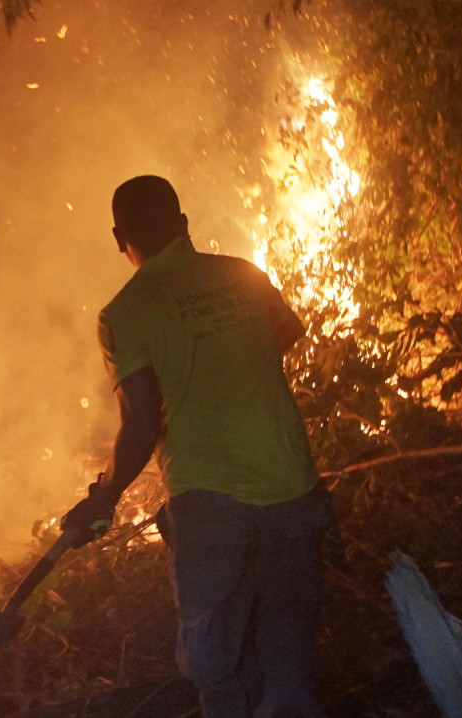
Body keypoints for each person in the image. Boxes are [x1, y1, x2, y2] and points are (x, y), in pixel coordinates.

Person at [61, 175, 332, 718]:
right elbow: (288, 334)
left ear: (120, 238)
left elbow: (139, 425)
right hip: (293, 486)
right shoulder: (244, 273)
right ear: (183, 224)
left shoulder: (124, 314)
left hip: (210, 504)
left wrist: (103, 498)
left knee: (215, 665)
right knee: (287, 650)